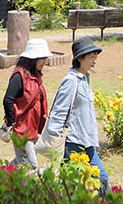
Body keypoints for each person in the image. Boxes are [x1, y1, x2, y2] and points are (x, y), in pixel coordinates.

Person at [43, 36, 108, 195]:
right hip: (73, 142)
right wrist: (56, 139)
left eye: (95, 57)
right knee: (69, 186)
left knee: (101, 180)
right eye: (91, 57)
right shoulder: (71, 81)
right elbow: (59, 110)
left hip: (87, 142)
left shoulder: (84, 78)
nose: (94, 61)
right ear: (80, 58)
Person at [0, 39, 52, 172]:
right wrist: (12, 122)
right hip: (22, 130)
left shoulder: (35, 74)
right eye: (43, 58)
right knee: (31, 165)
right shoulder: (19, 76)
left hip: (32, 128)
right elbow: (8, 100)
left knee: (20, 161)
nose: (45, 62)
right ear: (34, 58)